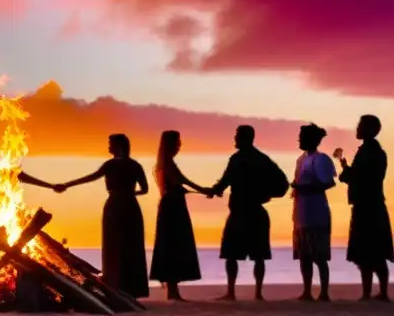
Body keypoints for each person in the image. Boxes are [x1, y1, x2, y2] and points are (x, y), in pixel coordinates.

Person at [55, 134, 150, 298]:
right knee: (130, 245)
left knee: (113, 245)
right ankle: (132, 288)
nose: (109, 147)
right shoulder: (135, 165)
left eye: (111, 144)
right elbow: (145, 189)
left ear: (118, 146)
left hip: (114, 205)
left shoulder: (111, 165)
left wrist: (67, 185)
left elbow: (91, 177)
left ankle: (115, 285)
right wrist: (129, 193)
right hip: (131, 205)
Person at [210, 125, 290, 301]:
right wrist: (266, 195)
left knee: (234, 254)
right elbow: (283, 184)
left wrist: (214, 190)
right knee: (257, 256)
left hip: (242, 212)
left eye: (237, 136)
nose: (235, 139)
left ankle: (233, 292)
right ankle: (257, 293)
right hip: (255, 212)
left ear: (245, 138)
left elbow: (223, 183)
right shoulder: (262, 159)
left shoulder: (237, 160)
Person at [335, 115, 394, 302]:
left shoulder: (372, 153)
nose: (357, 128)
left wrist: (348, 172)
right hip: (368, 204)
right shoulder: (370, 152)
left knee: (373, 251)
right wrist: (347, 168)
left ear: (369, 129)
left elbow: (364, 177)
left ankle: (379, 292)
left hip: (369, 206)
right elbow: (358, 175)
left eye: (361, 125)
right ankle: (371, 292)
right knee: (368, 252)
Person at [149, 130, 206, 300]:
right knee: (173, 246)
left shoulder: (164, 163)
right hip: (173, 207)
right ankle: (172, 291)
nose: (179, 146)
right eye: (177, 142)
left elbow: (182, 182)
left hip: (171, 206)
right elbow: (181, 182)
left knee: (171, 246)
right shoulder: (167, 164)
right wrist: (205, 190)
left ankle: (173, 290)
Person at [291, 124, 336, 302]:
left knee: (319, 255)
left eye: (302, 136)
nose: (299, 139)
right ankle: (307, 291)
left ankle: (324, 292)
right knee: (304, 256)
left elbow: (329, 183)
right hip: (301, 214)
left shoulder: (320, 159)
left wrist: (304, 187)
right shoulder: (301, 159)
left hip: (317, 214)